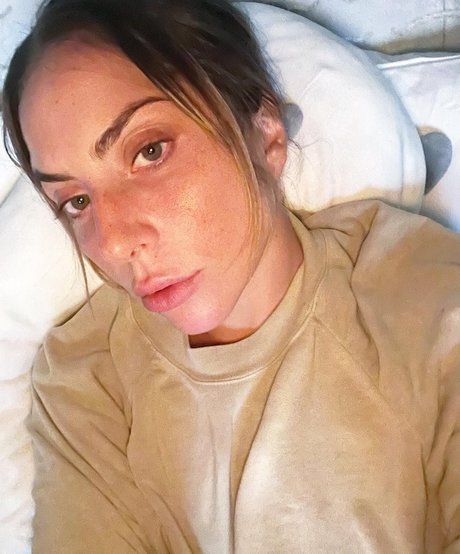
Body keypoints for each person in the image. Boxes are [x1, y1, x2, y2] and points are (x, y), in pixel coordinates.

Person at [2, 0, 460, 552]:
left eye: (149, 151)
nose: (115, 242)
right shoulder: (87, 385)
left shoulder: (423, 298)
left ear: (265, 133)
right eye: (76, 201)